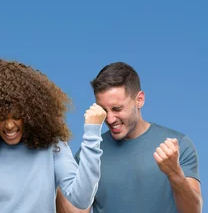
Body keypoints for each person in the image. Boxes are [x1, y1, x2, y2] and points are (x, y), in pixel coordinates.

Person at [0, 59, 105, 212]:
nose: (9, 125)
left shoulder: (53, 148)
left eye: (17, 116)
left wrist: (92, 134)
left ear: (30, 113)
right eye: (1, 117)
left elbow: (81, 199)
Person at [56, 62, 202, 213]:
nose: (110, 119)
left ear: (139, 100)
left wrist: (174, 173)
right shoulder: (89, 153)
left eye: (117, 109)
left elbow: (193, 211)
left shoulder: (179, 145)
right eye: (103, 110)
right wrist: (56, 165)